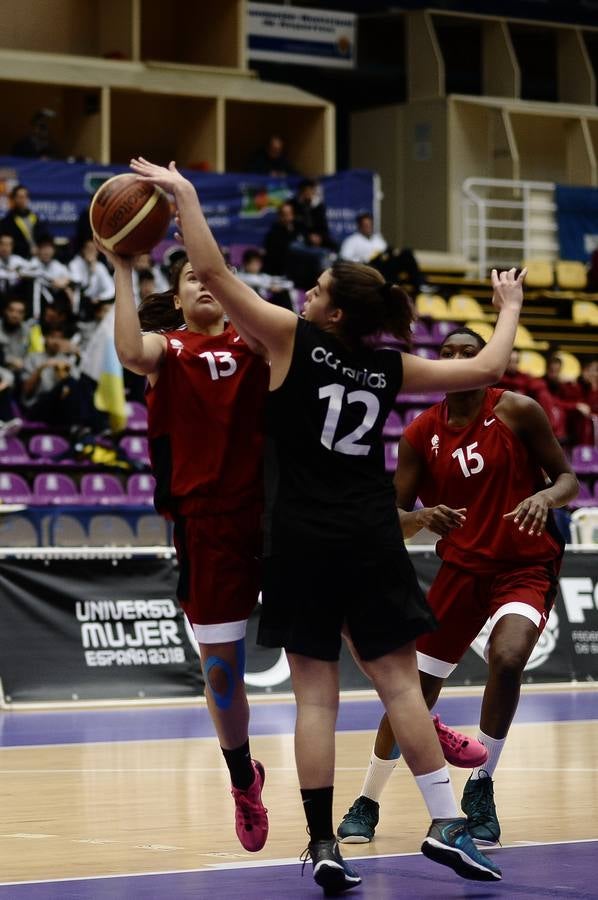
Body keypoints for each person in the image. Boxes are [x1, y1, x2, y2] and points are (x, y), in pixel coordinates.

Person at [130, 157, 528, 894]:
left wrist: (185, 196)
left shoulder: (288, 340)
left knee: (317, 698)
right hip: (371, 536)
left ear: (333, 312)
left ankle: (321, 843)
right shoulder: (386, 367)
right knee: (402, 689)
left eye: (316, 289)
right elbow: (487, 369)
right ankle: (444, 824)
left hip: (303, 538)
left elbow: (213, 274)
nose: (304, 293)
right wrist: (507, 306)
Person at [337, 326, 578, 849]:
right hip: (460, 572)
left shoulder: (516, 410)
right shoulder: (420, 433)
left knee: (508, 658)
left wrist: (547, 499)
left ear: (484, 361)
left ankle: (482, 785)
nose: (458, 359)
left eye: (469, 352)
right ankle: (368, 799)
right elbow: (393, 519)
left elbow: (568, 479)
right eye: (448, 353)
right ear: (439, 364)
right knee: (413, 693)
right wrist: (421, 517)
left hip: (524, 567)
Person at [102, 240, 270, 854]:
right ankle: (243, 780)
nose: (203, 282)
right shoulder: (168, 351)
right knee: (223, 675)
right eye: (190, 278)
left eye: (211, 275)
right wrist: (123, 268)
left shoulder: (260, 339)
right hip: (207, 525)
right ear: (176, 299)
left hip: (278, 517)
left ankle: (421, 720)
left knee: (362, 631)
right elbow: (128, 349)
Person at [0, 185, 49, 260]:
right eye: (20, 197)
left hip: (39, 259)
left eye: (25, 197)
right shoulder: (7, 222)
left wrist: (40, 249)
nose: (23, 200)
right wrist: (28, 249)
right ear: (14, 199)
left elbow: (44, 237)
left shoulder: (35, 218)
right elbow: (7, 244)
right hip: (17, 258)